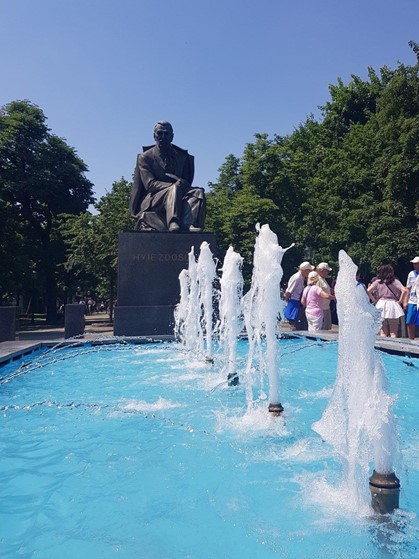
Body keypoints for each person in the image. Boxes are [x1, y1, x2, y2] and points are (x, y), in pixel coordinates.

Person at [130, 121, 206, 232]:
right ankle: (173, 221)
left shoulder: (181, 157)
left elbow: (186, 180)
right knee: (174, 188)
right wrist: (174, 185)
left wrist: (183, 184)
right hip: (154, 198)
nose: (163, 137)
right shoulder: (145, 157)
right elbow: (150, 184)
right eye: (159, 133)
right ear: (154, 136)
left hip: (178, 192)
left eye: (166, 134)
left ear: (172, 136)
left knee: (198, 192)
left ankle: (188, 224)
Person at [367, 264, 407, 338]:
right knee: (393, 333)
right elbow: (404, 290)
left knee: (383, 332)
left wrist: (374, 300)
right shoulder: (395, 281)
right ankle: (393, 348)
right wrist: (400, 301)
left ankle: (384, 348)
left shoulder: (377, 282)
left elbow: (368, 291)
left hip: (381, 304)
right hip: (392, 305)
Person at [284, 261, 314, 330]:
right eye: (309, 271)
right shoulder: (297, 278)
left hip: (298, 303)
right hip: (294, 303)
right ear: (305, 270)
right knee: (295, 323)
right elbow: (288, 292)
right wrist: (288, 303)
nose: (310, 273)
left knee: (302, 324)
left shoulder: (302, 278)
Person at [404, 256, 419, 340]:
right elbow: (408, 288)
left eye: (416, 264)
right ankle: (411, 340)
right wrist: (405, 301)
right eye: (414, 264)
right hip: (412, 300)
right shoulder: (411, 274)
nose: (415, 265)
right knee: (410, 321)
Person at [316, 262, 333, 330]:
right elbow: (317, 292)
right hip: (322, 308)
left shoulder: (323, 279)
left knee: (327, 327)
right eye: (327, 271)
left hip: (326, 307)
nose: (328, 272)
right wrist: (331, 297)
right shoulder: (318, 280)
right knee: (323, 328)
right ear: (322, 270)